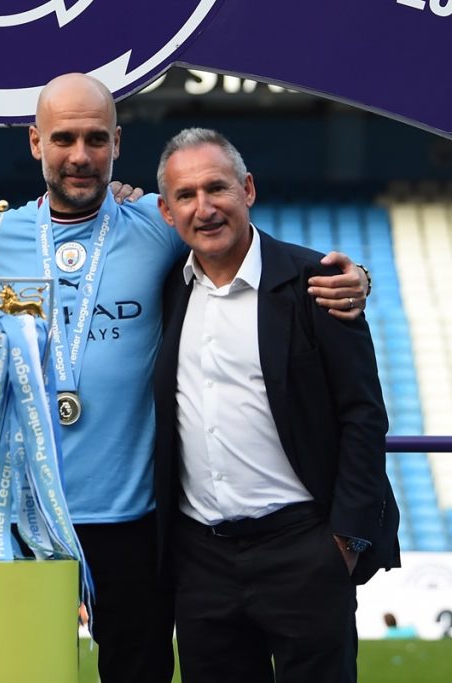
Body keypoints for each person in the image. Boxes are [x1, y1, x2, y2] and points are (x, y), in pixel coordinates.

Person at [0, 74, 371, 682]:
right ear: (36, 143)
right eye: (63, 139)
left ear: (117, 142)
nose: (79, 156)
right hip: (26, 516)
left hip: (134, 522)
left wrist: (354, 277)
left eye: (94, 138)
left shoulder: (158, 225)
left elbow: (243, 241)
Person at [152, 127, 400, 682]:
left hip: (306, 550)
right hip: (202, 560)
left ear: (249, 190)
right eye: (186, 196)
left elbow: (363, 414)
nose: (205, 207)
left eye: (217, 188)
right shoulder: (163, 287)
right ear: (167, 213)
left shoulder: (319, 284)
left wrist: (344, 541)